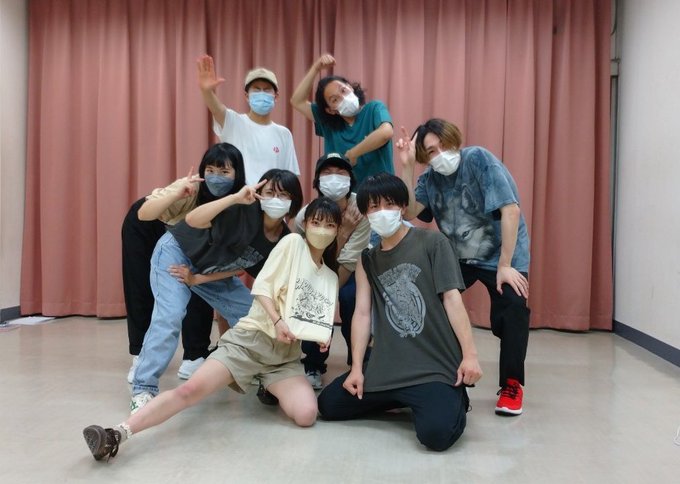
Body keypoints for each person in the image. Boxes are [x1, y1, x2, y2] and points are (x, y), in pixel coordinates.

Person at [83, 197, 341, 462]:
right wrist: (277, 321)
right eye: (316, 222)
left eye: (330, 225)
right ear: (306, 224)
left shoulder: (330, 277)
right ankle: (116, 433)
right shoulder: (292, 243)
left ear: (337, 231)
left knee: (306, 415)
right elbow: (262, 287)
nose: (322, 230)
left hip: (284, 358)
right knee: (189, 392)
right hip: (248, 343)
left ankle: (266, 384)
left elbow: (315, 318)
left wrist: (322, 337)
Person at [317, 173, 483, 452]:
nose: (382, 212)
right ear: (366, 214)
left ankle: (453, 397)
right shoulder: (367, 260)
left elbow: (453, 299)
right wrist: (356, 369)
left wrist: (470, 356)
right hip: (386, 367)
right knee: (329, 405)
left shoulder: (433, 243)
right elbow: (362, 314)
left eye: (389, 204)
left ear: (403, 207)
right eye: (374, 207)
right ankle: (399, 397)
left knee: (436, 435)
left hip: (433, 367)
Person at [129, 165, 303, 414]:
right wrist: (234, 198)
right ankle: (143, 388)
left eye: (283, 195)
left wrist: (197, 279)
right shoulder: (243, 210)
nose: (276, 199)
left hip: (210, 270)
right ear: (259, 194)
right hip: (177, 253)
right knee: (170, 316)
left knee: (256, 316)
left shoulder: (284, 241)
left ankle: (261, 374)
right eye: (270, 193)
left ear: (294, 202)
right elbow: (192, 220)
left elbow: (239, 267)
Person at [397, 119, 531, 416]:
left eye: (443, 146)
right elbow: (410, 211)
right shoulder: (430, 179)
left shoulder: (478, 159)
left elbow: (510, 210)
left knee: (513, 307)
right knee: (432, 303)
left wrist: (505, 265)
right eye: (431, 152)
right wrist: (407, 167)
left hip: (502, 255)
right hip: (459, 257)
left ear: (454, 140)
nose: (440, 154)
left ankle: (512, 384)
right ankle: (446, 375)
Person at [121, 143, 246, 383]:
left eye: (224, 171)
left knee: (195, 279)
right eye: (210, 170)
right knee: (141, 288)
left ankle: (195, 354)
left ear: (237, 174)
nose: (216, 177)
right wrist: (175, 194)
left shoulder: (241, 201)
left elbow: (238, 262)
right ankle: (140, 354)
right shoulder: (190, 188)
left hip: (189, 240)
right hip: (148, 226)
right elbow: (144, 214)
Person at [292, 153, 370, 389]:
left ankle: (359, 359)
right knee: (311, 297)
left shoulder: (361, 210)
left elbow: (349, 262)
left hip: (352, 270)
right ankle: (313, 363)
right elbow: (303, 258)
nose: (334, 178)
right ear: (317, 181)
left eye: (340, 172)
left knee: (350, 297)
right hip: (316, 269)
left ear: (351, 179)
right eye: (327, 173)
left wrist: (327, 293)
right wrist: (343, 233)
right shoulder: (306, 215)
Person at [290, 53, 394, 185]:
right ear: (330, 110)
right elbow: (297, 101)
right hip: (343, 193)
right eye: (334, 99)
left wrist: (353, 154)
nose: (343, 98)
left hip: (381, 191)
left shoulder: (374, 108)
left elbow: (386, 133)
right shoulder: (328, 123)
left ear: (350, 87)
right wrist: (316, 68)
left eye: (343, 90)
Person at [197, 54, 300, 184]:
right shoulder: (234, 122)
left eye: (267, 90)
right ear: (247, 96)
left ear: (276, 96)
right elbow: (216, 109)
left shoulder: (284, 134)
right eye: (256, 90)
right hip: (238, 195)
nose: (262, 94)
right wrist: (206, 91)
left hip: (270, 196)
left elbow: (291, 177)